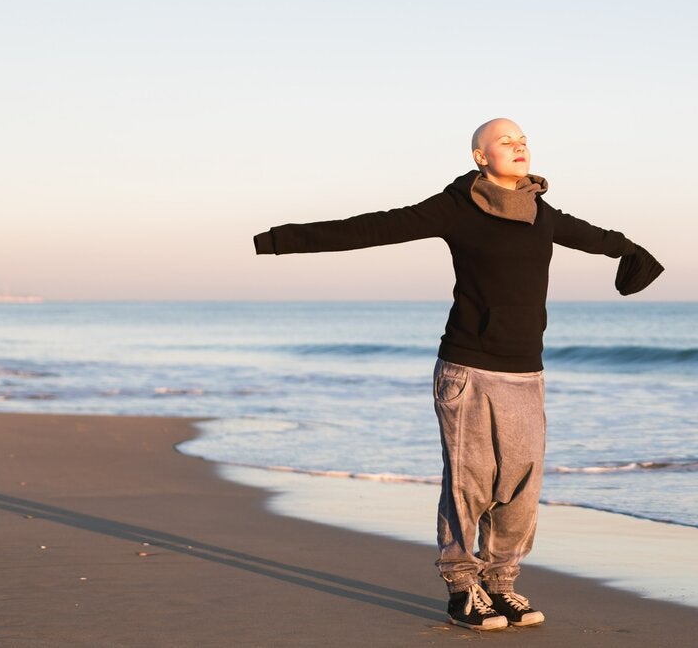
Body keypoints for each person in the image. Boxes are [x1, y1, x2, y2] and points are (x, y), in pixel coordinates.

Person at [251, 118, 663, 630]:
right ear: (480, 156)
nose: (519, 146)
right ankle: (462, 588)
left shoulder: (542, 213)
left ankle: (500, 583)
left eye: (523, 140)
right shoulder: (457, 206)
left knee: (520, 486)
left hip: (525, 374)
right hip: (467, 369)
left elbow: (599, 237)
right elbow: (375, 226)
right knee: (469, 483)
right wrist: (276, 240)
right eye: (505, 141)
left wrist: (632, 251)